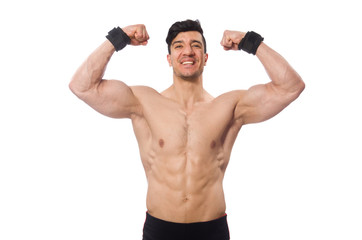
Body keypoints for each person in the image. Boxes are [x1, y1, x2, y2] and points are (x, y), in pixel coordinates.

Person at [69, 20, 305, 240]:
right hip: (160, 229)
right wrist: (118, 38)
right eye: (178, 46)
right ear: (170, 58)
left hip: (211, 229)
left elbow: (290, 88)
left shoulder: (229, 106)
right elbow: (82, 86)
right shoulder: (143, 101)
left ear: (205, 57)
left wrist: (249, 41)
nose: (188, 52)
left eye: (196, 46)